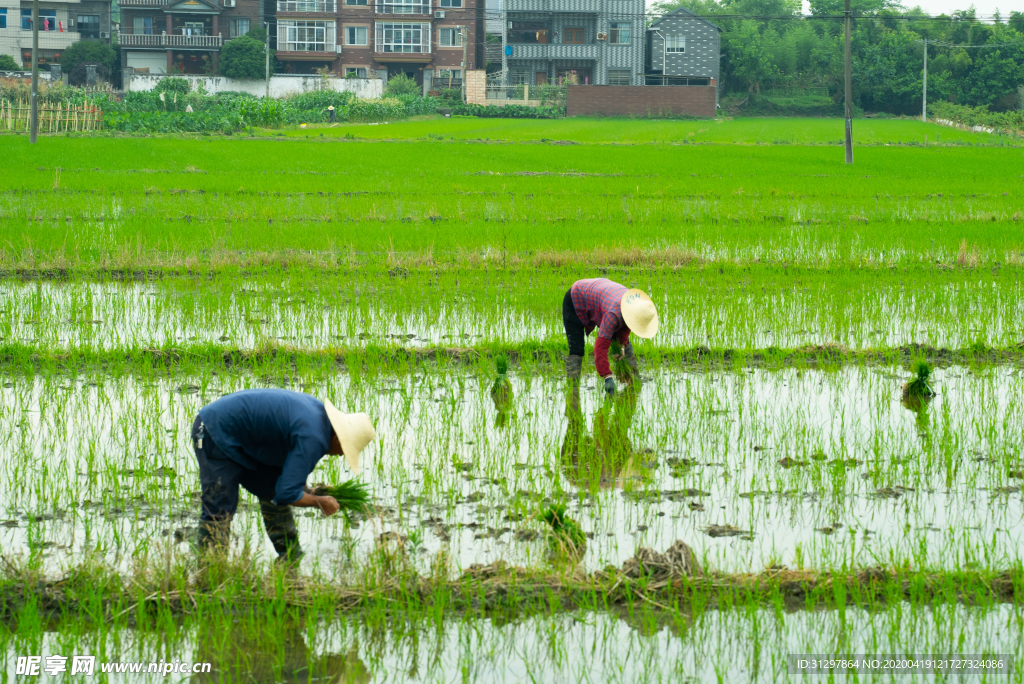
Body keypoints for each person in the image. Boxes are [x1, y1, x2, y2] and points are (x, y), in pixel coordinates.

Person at [191, 388, 375, 563]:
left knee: (272, 489)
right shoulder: (314, 438)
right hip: (213, 429)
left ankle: (290, 557)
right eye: (345, 449)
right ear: (338, 438)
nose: (341, 455)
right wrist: (319, 502)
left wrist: (310, 491)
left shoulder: (319, 420)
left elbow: (287, 481)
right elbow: (287, 494)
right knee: (219, 506)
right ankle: (210, 570)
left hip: (241, 436)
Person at [563, 278, 658, 397]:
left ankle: (635, 377)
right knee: (576, 348)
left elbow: (627, 325)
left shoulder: (634, 307)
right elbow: (600, 347)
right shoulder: (613, 315)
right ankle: (573, 391)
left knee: (619, 339)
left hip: (601, 296)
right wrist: (607, 376)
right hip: (576, 298)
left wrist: (622, 345)